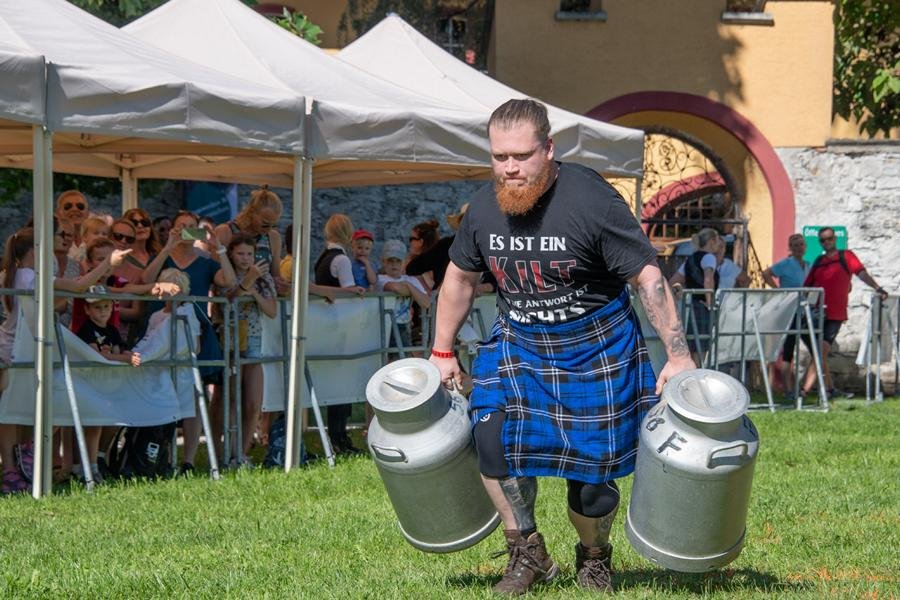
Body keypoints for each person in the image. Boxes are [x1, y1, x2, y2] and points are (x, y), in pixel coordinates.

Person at [429, 99, 694, 594]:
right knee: (490, 439)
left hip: (594, 348)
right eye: (499, 157)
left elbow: (647, 276)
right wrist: (442, 350)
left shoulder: (591, 199)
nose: (510, 168)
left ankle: (593, 556)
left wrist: (678, 354)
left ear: (549, 149)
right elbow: (460, 278)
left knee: (591, 480)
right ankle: (527, 552)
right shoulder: (484, 208)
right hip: (519, 343)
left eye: (522, 156)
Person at [0, 227, 133, 494]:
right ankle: (14, 467)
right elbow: (78, 287)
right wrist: (108, 263)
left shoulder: (14, 275)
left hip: (17, 348)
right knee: (14, 409)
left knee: (13, 410)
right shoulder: (30, 277)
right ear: (35, 251)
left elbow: (58, 299)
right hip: (16, 350)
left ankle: (19, 462)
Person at [142, 210, 237, 474]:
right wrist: (167, 247)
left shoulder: (205, 261)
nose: (185, 230)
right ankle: (161, 454)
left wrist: (218, 247)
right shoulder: (162, 256)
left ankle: (189, 460)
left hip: (195, 335)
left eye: (191, 226)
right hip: (162, 330)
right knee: (161, 392)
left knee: (195, 396)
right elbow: (146, 280)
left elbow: (229, 282)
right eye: (181, 226)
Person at [798, 227, 889, 399]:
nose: (827, 242)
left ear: (835, 239)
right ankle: (830, 390)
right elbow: (807, 286)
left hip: (835, 314)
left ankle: (803, 392)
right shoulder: (819, 260)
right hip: (817, 313)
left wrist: (877, 287)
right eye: (823, 240)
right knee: (820, 353)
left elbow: (861, 273)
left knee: (820, 352)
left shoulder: (846, 256)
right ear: (820, 242)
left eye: (829, 238)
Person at [211, 234, 276, 467]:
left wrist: (254, 291)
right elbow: (228, 299)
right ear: (231, 254)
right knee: (230, 399)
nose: (245, 258)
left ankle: (241, 453)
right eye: (240, 253)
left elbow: (272, 310)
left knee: (253, 403)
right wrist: (247, 282)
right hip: (230, 341)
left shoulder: (263, 276)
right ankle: (223, 452)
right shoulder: (224, 274)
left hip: (255, 341)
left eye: (250, 254)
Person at [75, 285, 142, 483]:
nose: (103, 311)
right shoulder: (86, 329)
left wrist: (130, 354)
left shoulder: (112, 330)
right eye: (97, 307)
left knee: (111, 421)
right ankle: (89, 469)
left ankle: (98, 460)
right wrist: (125, 358)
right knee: (94, 426)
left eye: (106, 306)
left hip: (108, 385)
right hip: (90, 384)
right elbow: (97, 356)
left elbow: (119, 350)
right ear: (87, 309)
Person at [314, 214, 366, 455]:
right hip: (341, 324)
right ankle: (339, 437)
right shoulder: (342, 260)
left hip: (327, 323)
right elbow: (347, 290)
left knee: (336, 380)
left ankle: (337, 435)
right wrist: (357, 291)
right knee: (342, 382)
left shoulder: (322, 258)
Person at [214, 186, 288, 296]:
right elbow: (214, 273)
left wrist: (281, 285)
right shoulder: (225, 232)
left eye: (274, 225)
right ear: (252, 212)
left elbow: (275, 276)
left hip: (262, 303)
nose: (269, 229)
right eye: (265, 224)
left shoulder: (273, 237)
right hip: (231, 301)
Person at [762, 233, 811, 397]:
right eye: (795, 245)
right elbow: (766, 273)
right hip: (789, 311)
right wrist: (778, 291)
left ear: (805, 247)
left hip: (805, 311)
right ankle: (788, 389)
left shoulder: (808, 265)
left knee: (815, 348)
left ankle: (804, 388)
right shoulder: (786, 264)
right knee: (788, 349)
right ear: (790, 248)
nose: (799, 248)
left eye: (801, 244)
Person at [668, 228, 721, 363]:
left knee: (693, 348)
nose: (719, 244)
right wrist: (710, 302)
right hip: (703, 307)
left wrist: (680, 293)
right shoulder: (709, 257)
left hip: (690, 307)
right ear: (711, 241)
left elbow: (673, 281)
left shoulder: (690, 259)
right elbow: (708, 279)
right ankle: (700, 374)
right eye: (717, 241)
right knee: (702, 349)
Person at [377, 240, 431, 357]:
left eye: (398, 261)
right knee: (386, 357)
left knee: (403, 358)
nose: (394, 264)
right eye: (390, 260)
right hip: (385, 326)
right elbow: (395, 288)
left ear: (405, 261)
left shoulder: (410, 280)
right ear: (383, 261)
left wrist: (408, 285)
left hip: (404, 325)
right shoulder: (380, 278)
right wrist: (411, 290)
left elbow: (426, 302)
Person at [55, 189, 89, 257]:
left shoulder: (94, 239)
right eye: (68, 206)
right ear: (58, 213)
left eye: (80, 206)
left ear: (87, 213)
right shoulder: (53, 241)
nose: (74, 209)